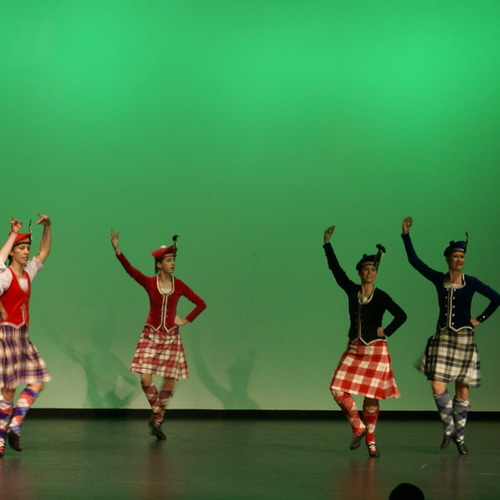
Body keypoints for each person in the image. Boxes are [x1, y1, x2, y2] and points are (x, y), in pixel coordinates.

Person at [401, 217, 500, 455]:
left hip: (464, 339)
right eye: (455, 256)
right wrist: (406, 235)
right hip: (443, 337)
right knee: (437, 385)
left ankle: (460, 437)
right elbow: (415, 262)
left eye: (462, 256)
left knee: (462, 391)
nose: (459, 259)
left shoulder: (471, 282)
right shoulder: (439, 279)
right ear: (448, 259)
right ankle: (448, 427)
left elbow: (497, 298)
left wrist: (479, 319)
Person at [110, 230, 206, 440]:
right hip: (151, 335)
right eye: (169, 260)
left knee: (170, 381)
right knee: (145, 378)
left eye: (173, 260)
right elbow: (131, 271)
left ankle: (158, 421)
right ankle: (157, 413)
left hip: (171, 337)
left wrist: (185, 319)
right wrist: (117, 249)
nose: (172, 263)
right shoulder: (150, 283)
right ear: (159, 264)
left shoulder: (178, 285)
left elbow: (201, 303)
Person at [323, 225, 407, 457]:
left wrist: (386, 330)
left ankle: (370, 440)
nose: (369, 272)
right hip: (355, 347)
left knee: (371, 397)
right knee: (337, 389)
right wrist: (327, 245)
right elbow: (336, 271)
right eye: (365, 269)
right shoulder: (352, 290)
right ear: (360, 272)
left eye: (372, 269)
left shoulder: (381, 296)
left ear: (376, 273)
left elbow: (402, 315)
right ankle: (358, 427)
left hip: (376, 349)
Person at [0, 214, 52, 456]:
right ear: (12, 252)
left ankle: (16, 425)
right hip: (7, 334)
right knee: (8, 390)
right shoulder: (6, 275)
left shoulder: (27, 274)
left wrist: (48, 227)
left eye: (26, 247)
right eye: (21, 247)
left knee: (38, 380)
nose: (25, 252)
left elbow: (43, 253)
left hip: (22, 336)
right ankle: (1, 439)